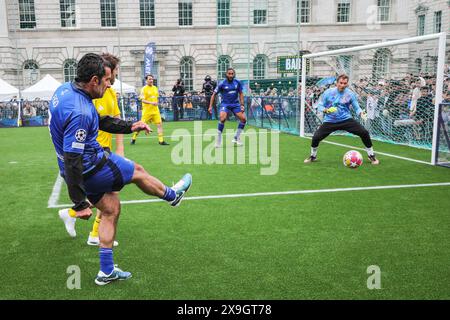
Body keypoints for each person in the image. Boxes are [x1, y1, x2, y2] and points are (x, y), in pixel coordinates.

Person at [49, 53, 192, 285]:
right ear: (94, 80)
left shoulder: (66, 90)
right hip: (91, 166)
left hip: (81, 170)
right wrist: (79, 202)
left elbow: (100, 120)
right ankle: (172, 195)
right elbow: (72, 158)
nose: (109, 84)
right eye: (107, 80)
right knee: (137, 170)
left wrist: (130, 125)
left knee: (111, 209)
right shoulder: (80, 111)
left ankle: (106, 271)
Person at [58, 53, 123, 247]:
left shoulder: (109, 90)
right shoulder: (94, 93)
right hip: (94, 150)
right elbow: (95, 119)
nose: (112, 80)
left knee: (110, 196)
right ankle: (91, 230)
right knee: (111, 197)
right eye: (111, 76)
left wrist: (120, 145)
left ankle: (79, 220)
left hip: (105, 148)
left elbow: (115, 116)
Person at [304, 74, 380, 165]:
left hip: (346, 120)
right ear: (337, 83)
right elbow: (320, 105)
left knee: (364, 132)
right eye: (341, 83)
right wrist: (326, 110)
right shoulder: (328, 92)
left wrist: (361, 113)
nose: (343, 85)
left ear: (347, 84)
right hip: (330, 121)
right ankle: (313, 156)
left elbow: (357, 107)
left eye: (345, 83)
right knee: (316, 137)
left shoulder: (350, 94)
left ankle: (371, 155)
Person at [208, 68, 246, 147]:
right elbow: (213, 95)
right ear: (226, 74)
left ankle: (236, 138)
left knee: (243, 119)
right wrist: (210, 106)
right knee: (222, 119)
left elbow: (241, 93)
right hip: (225, 104)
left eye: (232, 73)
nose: (231, 75)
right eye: (229, 73)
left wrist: (242, 105)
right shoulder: (222, 83)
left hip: (235, 104)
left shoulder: (237, 82)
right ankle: (218, 139)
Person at [131, 74, 169, 145]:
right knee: (141, 126)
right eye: (150, 79)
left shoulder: (155, 88)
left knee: (159, 124)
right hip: (147, 112)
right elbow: (142, 100)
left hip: (155, 111)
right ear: (146, 80)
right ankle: (133, 138)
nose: (151, 80)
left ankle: (161, 141)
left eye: (152, 79)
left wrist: (157, 103)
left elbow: (156, 98)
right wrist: (151, 102)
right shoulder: (144, 89)